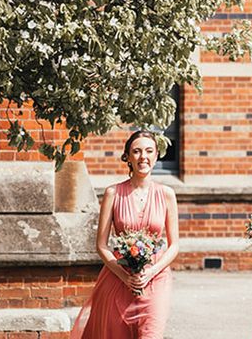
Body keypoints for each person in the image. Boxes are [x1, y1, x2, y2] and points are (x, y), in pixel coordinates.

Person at [71, 129, 180, 339]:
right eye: (137, 151)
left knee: (151, 335)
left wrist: (150, 272)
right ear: (128, 157)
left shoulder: (167, 195)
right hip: (118, 278)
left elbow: (174, 245)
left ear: (157, 155)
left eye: (149, 151)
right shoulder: (113, 194)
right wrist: (125, 276)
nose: (143, 157)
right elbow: (101, 245)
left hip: (156, 278)